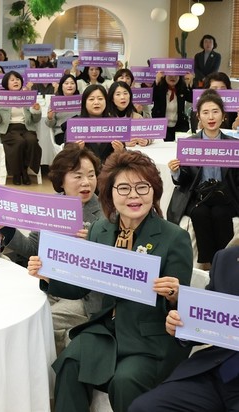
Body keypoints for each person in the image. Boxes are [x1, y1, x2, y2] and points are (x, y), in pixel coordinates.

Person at [27, 150, 193, 412]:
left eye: (142, 187)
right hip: (107, 330)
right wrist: (49, 275)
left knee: (125, 382)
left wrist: (175, 294)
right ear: (110, 193)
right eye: (124, 188)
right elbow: (82, 285)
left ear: (154, 191)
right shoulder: (100, 230)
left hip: (150, 337)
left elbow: (182, 308)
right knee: (70, 362)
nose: (134, 196)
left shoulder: (174, 237)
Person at [2, 145, 104, 354]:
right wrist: (5, 228)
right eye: (78, 176)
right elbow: (32, 248)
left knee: (40, 323)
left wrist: (93, 243)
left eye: (91, 175)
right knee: (14, 313)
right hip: (48, 285)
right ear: (61, 180)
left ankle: (49, 371)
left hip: (83, 295)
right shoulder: (51, 207)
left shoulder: (106, 212)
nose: (86, 182)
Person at [128, 245, 239, 412]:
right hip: (217, 369)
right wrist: (182, 325)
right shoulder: (226, 258)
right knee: (144, 407)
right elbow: (210, 317)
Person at [167, 89, 239, 269]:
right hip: (198, 197)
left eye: (215, 111)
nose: (211, 117)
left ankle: (223, 263)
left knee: (221, 213)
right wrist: (176, 171)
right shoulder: (190, 143)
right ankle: (208, 264)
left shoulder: (233, 145)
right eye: (205, 112)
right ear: (199, 116)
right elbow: (184, 180)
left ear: (223, 115)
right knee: (200, 213)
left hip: (225, 196)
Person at [0, 71, 42, 185]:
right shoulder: (1, 98)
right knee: (19, 142)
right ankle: (18, 173)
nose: (16, 82)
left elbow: (36, 120)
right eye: (12, 80)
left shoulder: (28, 97)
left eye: (18, 79)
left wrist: (36, 110)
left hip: (26, 128)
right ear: (6, 84)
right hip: (8, 129)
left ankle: (24, 170)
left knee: (32, 141)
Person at [62, 84, 124, 162]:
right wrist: (75, 151)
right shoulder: (74, 124)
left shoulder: (115, 123)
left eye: (100, 99)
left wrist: (119, 151)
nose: (96, 102)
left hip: (110, 167)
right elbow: (65, 156)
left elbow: (124, 153)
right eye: (91, 99)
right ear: (84, 103)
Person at [151, 71, 193, 142]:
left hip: (179, 125)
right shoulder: (159, 89)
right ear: (164, 76)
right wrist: (157, 82)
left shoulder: (182, 89)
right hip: (161, 126)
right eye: (170, 75)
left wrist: (190, 84)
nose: (173, 77)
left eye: (176, 75)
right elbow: (151, 97)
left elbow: (192, 99)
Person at [47, 74, 80, 146]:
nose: (70, 86)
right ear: (61, 86)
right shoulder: (56, 102)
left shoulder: (81, 100)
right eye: (66, 83)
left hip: (79, 131)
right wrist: (50, 118)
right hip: (61, 133)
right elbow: (50, 125)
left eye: (72, 83)